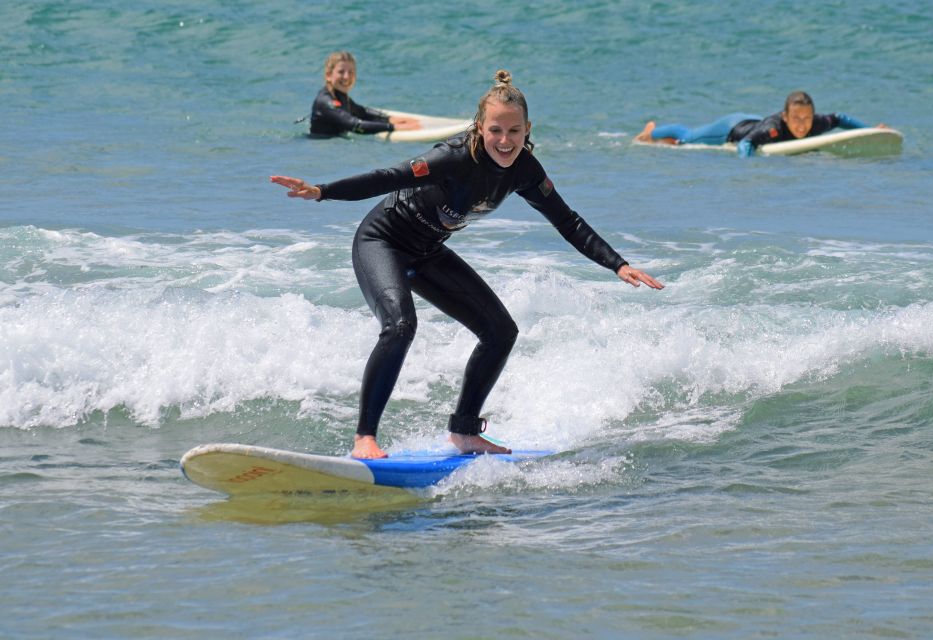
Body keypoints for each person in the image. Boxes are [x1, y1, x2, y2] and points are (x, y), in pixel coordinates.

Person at [274, 70, 664, 459]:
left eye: (514, 131)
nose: (505, 140)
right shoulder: (454, 157)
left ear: (528, 129)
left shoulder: (526, 171)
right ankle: (365, 439)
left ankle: (464, 432)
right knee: (400, 326)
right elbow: (389, 177)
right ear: (479, 127)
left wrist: (617, 264)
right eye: (496, 130)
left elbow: (568, 221)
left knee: (500, 332)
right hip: (383, 241)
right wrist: (323, 191)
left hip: (425, 250)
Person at [634, 91, 885, 157]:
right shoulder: (772, 129)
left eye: (807, 118)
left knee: (684, 138)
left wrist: (869, 130)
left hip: (750, 119)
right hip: (730, 129)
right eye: (796, 119)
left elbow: (841, 118)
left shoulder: (816, 122)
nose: (802, 125)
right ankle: (651, 132)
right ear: (785, 116)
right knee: (687, 138)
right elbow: (746, 144)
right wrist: (749, 169)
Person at [309, 51, 421, 137]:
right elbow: (355, 125)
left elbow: (362, 112)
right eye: (341, 72)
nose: (346, 77)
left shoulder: (340, 97)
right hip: (319, 148)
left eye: (351, 72)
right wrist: (393, 127)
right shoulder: (325, 101)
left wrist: (389, 118)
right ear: (328, 75)